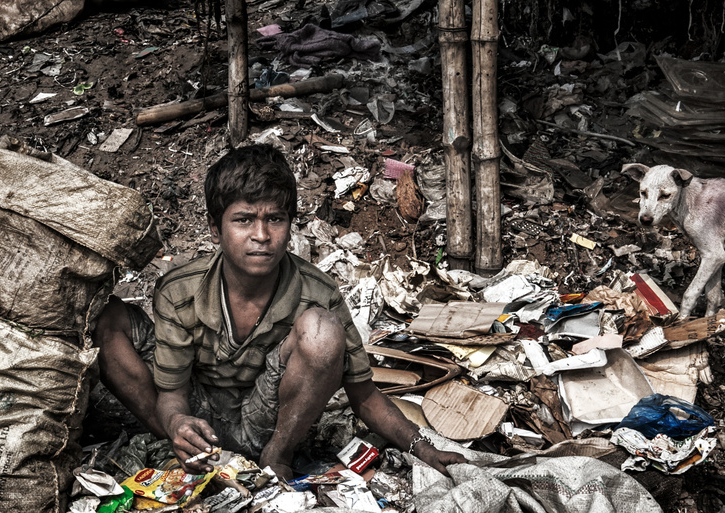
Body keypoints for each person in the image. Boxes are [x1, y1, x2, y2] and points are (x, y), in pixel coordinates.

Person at [95, 144, 466, 480]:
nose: (261, 234)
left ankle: (277, 458)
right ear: (215, 228)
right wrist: (177, 422)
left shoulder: (316, 291)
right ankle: (183, 447)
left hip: (265, 422)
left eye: (275, 219)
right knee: (108, 318)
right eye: (243, 220)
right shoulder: (179, 289)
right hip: (198, 409)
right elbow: (171, 391)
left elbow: (365, 396)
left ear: (289, 226)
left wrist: (423, 448)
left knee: (321, 329)